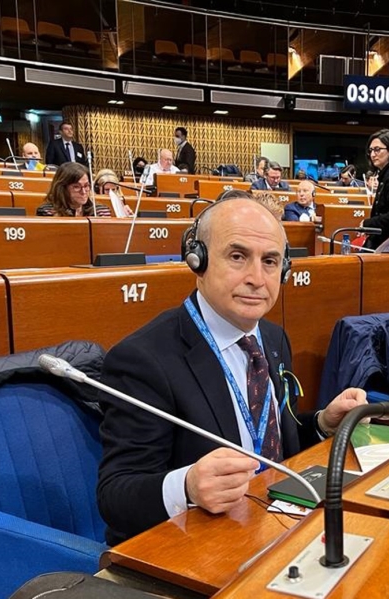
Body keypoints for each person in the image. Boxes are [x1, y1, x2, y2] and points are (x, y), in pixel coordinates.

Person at [96, 197, 367, 544]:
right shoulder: (143, 359)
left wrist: (321, 423)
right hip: (196, 544)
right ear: (198, 260)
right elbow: (114, 496)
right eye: (238, 257)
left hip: (276, 526)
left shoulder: (272, 337)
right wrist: (188, 485)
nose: (256, 278)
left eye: (270, 262)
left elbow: (272, 439)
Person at [36, 162, 111, 217]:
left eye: (86, 186)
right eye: (77, 187)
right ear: (62, 188)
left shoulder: (100, 211)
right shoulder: (47, 211)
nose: (83, 192)